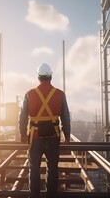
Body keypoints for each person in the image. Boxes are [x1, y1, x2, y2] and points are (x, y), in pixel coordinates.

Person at [19, 63, 71, 198]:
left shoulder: (29, 94)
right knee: (53, 169)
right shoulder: (60, 94)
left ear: (38, 77)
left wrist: (22, 136)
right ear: (51, 76)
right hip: (53, 137)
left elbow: (23, 116)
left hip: (35, 138)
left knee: (34, 170)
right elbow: (66, 116)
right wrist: (67, 136)